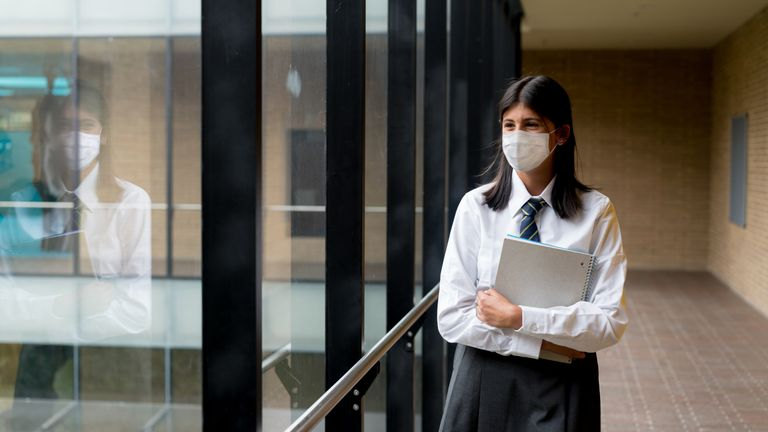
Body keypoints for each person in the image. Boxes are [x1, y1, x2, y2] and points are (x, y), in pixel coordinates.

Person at [437, 75, 628, 431]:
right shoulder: (476, 207)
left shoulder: (597, 213)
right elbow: (451, 316)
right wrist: (543, 343)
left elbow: (608, 322)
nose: (516, 136)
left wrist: (518, 316)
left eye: (531, 124)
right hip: (484, 375)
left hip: (563, 385)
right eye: (508, 125)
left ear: (561, 134)